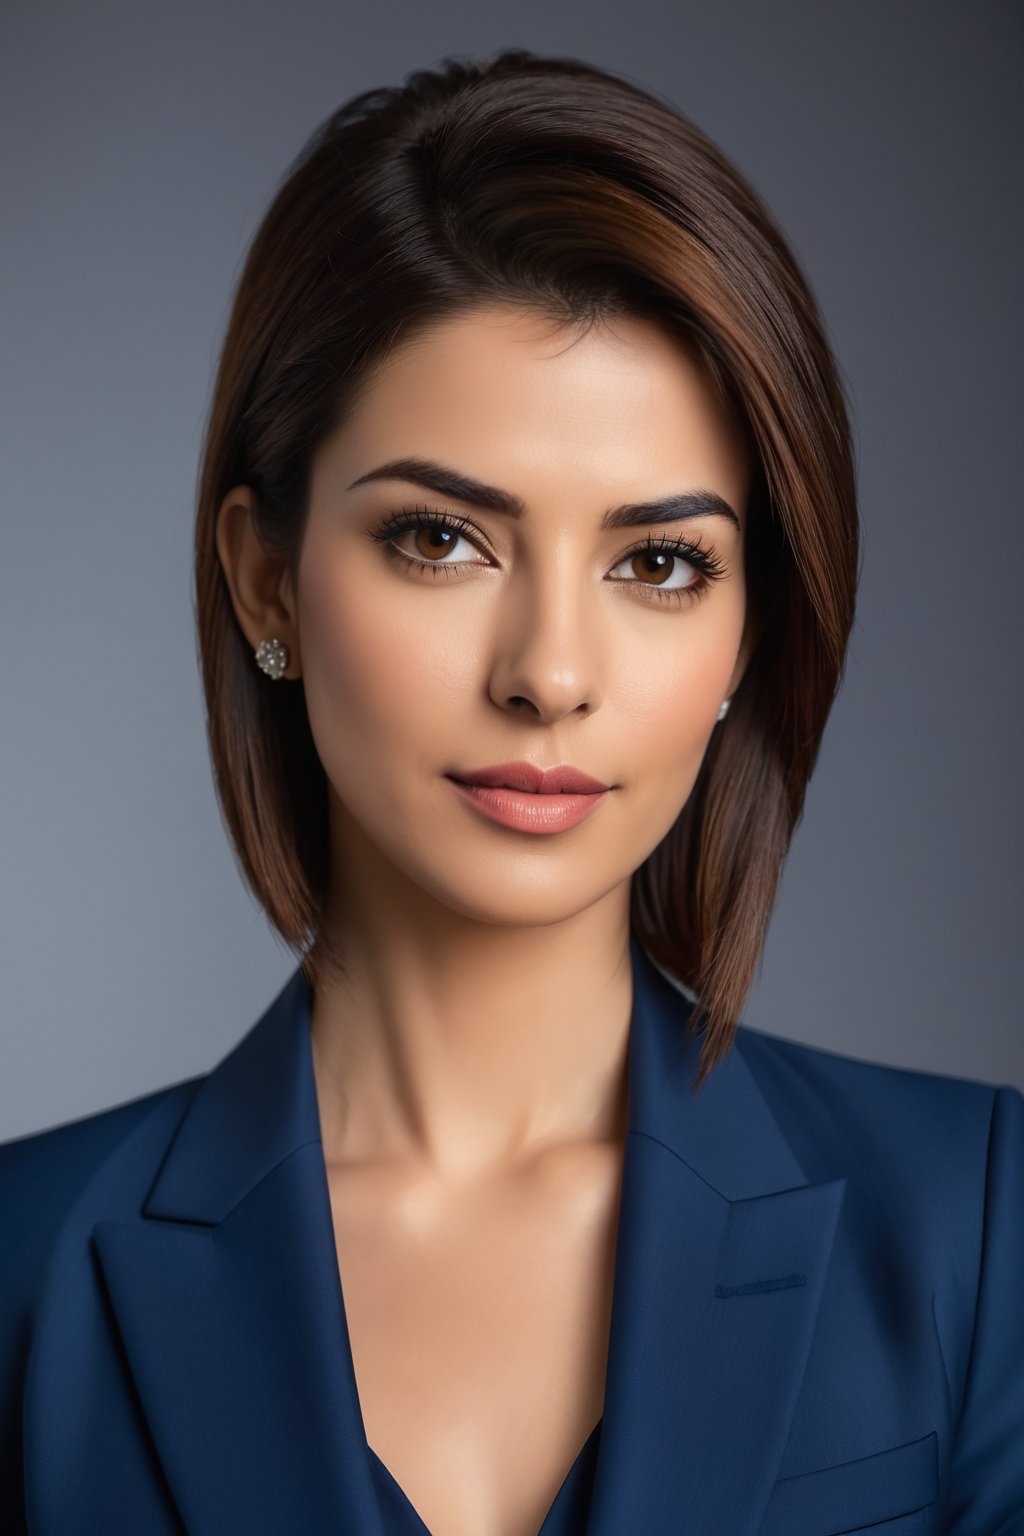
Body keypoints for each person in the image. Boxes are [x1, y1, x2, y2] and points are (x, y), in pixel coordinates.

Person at [2, 46, 1021, 1536]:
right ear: (263, 575)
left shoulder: (975, 1234)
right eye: (441, 541)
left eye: (658, 563)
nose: (550, 671)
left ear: (752, 630)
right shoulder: (28, 1270)